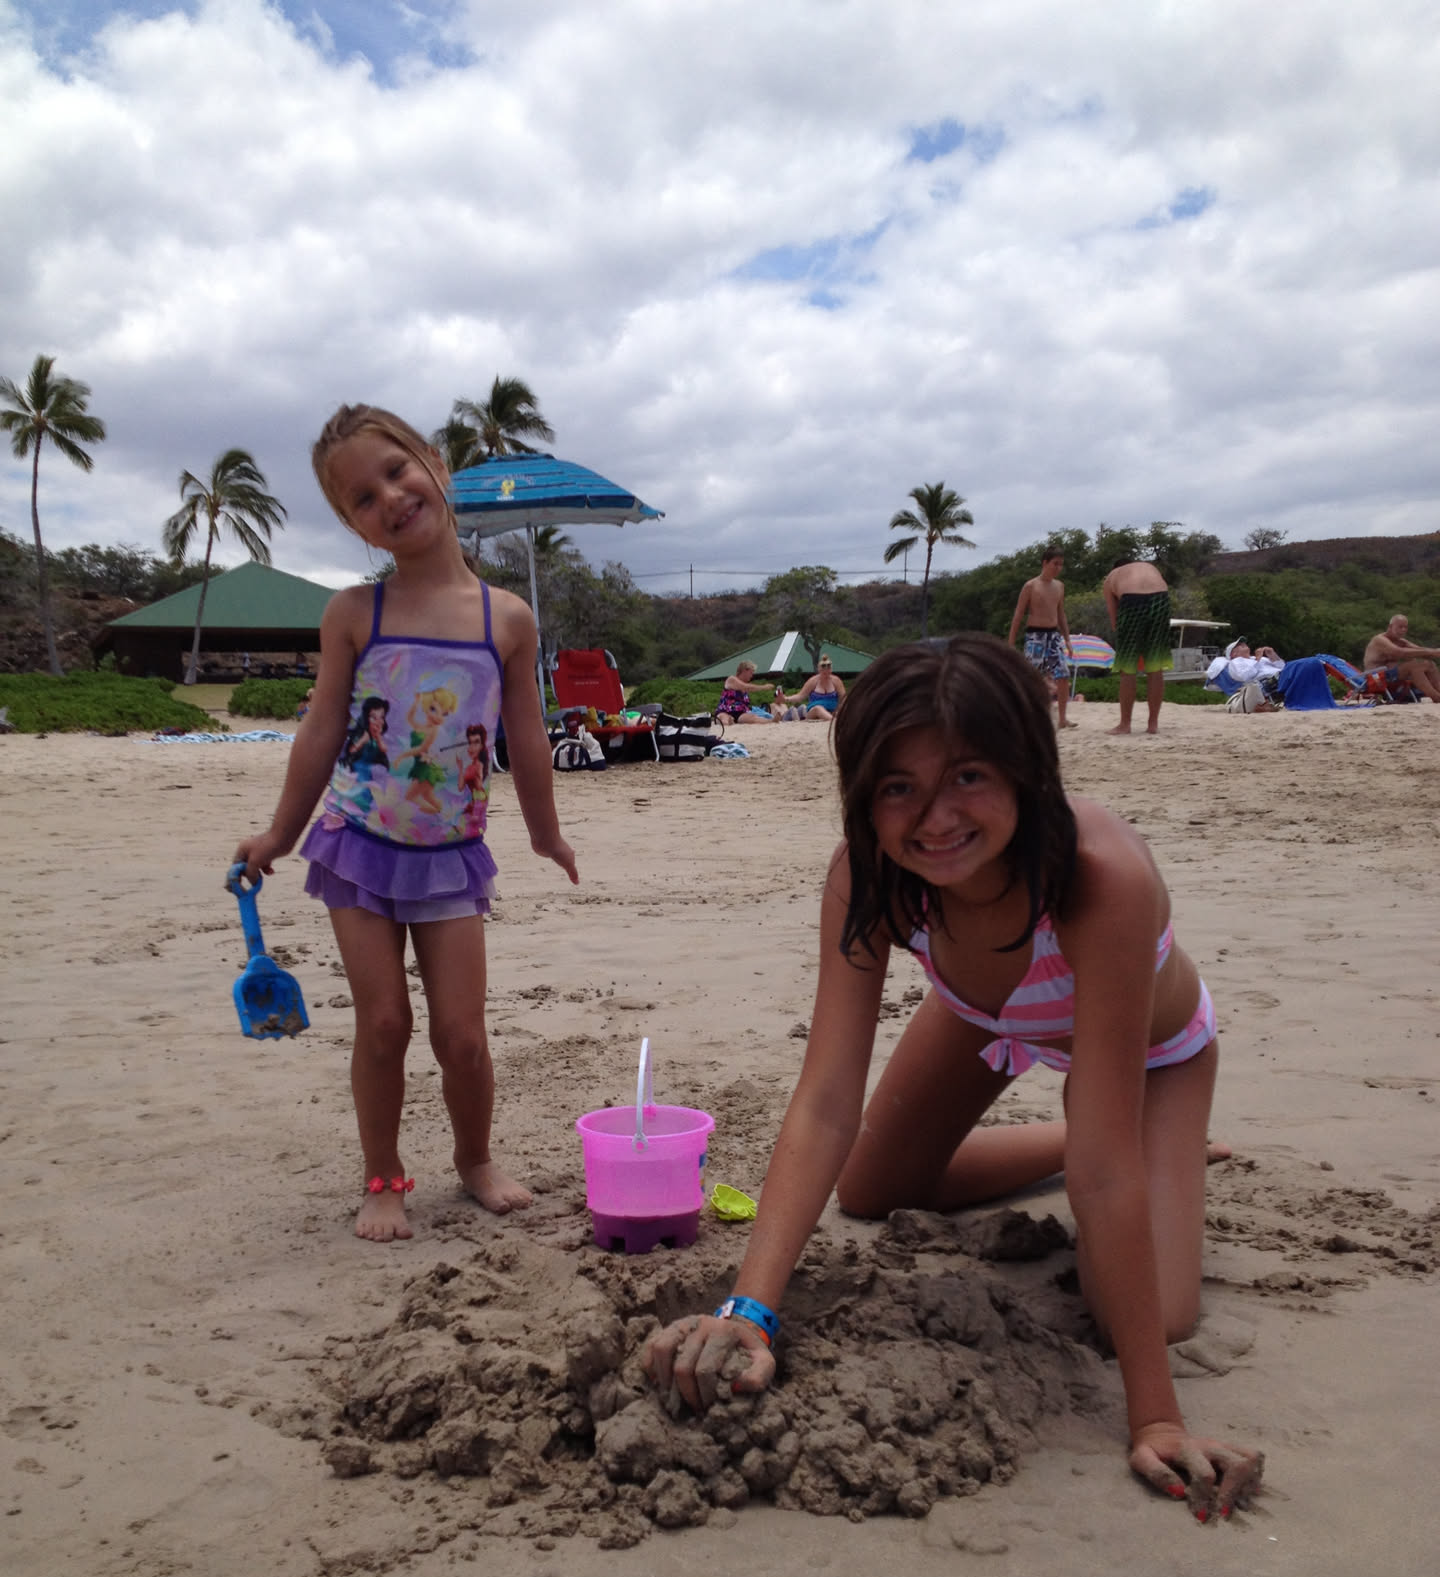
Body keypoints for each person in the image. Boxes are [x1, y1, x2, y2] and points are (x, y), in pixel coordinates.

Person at [645, 638, 1261, 1520]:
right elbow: (826, 1102)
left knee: (1154, 1314)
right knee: (870, 1189)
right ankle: (1098, 1141)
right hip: (985, 1011)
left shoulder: (1100, 881)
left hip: (1151, 1051)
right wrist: (750, 1310)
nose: (935, 819)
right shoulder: (869, 874)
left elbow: (1102, 1171)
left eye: (968, 776)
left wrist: (1155, 1417)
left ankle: (1162, 1141)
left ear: (1027, 771)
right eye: (898, 788)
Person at [234, 403, 578, 1242]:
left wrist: (545, 832)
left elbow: (527, 735)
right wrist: (279, 835)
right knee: (385, 1023)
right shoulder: (357, 613)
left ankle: (475, 1160)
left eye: (396, 472)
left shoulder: (506, 619)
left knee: (463, 1038)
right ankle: (383, 1176)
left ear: (433, 462)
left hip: (451, 855)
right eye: (362, 497)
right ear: (352, 523)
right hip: (356, 849)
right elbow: (322, 731)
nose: (388, 497)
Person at [1007, 548, 1075, 728]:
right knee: (1032, 677)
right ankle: (1029, 716)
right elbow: (1018, 614)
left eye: (1060, 564)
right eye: (1055, 564)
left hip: (1053, 635)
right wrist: (1011, 643)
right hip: (1035, 635)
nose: (1058, 568)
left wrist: (1067, 639)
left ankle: (1062, 718)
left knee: (1063, 674)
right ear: (1045, 563)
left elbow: (1061, 614)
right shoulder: (1031, 586)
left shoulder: (1059, 586)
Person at [1103, 560, 1172, 734]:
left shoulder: (1111, 577)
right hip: (1160, 597)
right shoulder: (1149, 567)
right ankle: (1153, 724)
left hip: (1132, 600)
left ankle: (1125, 724)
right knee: (1155, 666)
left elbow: (1115, 622)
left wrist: (1130, 650)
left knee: (1128, 669)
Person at [1362, 614, 1440, 702]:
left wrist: (1435, 652)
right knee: (1414, 666)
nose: (1403, 630)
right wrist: (1432, 652)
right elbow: (1399, 652)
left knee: (1429, 664)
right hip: (1375, 678)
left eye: (1405, 627)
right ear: (1390, 627)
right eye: (1400, 627)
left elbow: (1421, 651)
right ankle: (1436, 697)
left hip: (1391, 676)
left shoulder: (1401, 642)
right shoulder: (1379, 640)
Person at [782, 655, 847, 721]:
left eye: (828, 670)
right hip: (814, 711)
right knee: (818, 709)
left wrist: (840, 708)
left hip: (833, 709)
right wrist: (787, 698)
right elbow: (800, 696)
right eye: (824, 671)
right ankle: (833, 720)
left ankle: (834, 717)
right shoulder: (813, 681)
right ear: (819, 670)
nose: (826, 673)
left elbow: (844, 698)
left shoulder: (836, 681)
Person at [717, 661, 781, 723]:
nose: (752, 676)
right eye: (751, 673)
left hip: (739, 713)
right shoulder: (731, 679)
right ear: (745, 671)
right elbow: (746, 687)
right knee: (724, 718)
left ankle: (771, 721)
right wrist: (764, 687)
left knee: (752, 717)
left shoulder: (745, 686)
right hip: (725, 710)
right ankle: (728, 721)